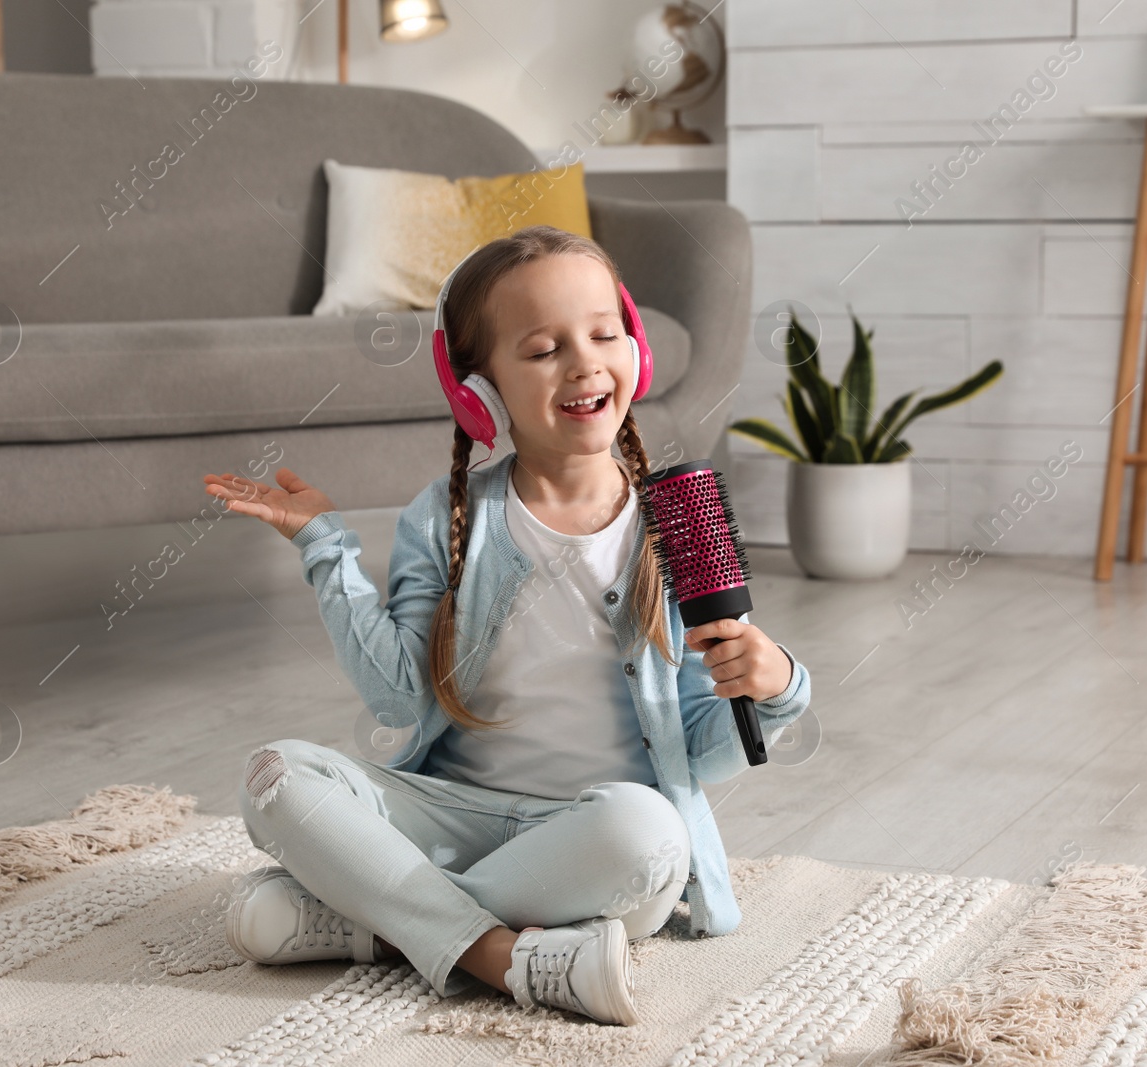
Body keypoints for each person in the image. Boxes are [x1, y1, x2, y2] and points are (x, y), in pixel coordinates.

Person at [202, 225, 813, 1026]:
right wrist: (326, 547)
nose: (586, 360)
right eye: (543, 348)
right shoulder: (447, 519)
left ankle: (378, 920)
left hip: (587, 843)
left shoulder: (674, 529)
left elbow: (701, 748)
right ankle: (498, 952)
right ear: (478, 393)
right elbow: (397, 698)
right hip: (453, 815)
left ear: (637, 350)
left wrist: (774, 689)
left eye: (604, 333)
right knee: (275, 773)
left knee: (651, 835)